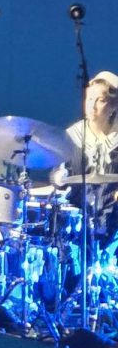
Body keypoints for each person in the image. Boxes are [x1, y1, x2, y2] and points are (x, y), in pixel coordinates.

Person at [51, 71, 118, 245]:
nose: (92, 106)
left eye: (101, 100)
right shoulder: (72, 137)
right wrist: (58, 177)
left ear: (113, 106)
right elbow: (58, 175)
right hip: (80, 220)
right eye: (89, 99)